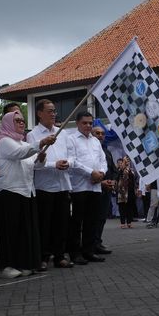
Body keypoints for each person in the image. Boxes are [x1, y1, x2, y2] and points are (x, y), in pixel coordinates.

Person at [0, 111, 55, 278]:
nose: (21, 123)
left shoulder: (23, 143)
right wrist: (41, 142)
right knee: (10, 232)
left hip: (26, 191)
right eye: (17, 120)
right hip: (9, 191)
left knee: (24, 232)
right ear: (8, 123)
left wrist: (41, 158)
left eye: (22, 120)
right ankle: (6, 266)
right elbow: (19, 154)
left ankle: (23, 263)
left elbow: (34, 166)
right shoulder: (5, 141)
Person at [27, 100, 74, 269]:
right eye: (49, 111)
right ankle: (43, 257)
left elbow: (72, 155)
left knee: (61, 223)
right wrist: (54, 164)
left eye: (54, 111)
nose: (53, 114)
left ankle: (59, 256)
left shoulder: (63, 133)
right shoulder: (33, 135)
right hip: (44, 186)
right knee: (44, 224)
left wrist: (68, 162)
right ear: (39, 113)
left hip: (62, 184)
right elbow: (33, 162)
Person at [66, 111, 107, 265]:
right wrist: (91, 172)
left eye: (90, 123)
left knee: (92, 221)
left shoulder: (95, 141)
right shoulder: (71, 139)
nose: (88, 126)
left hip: (95, 187)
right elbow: (73, 162)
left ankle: (89, 251)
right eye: (85, 123)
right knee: (77, 222)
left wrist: (101, 173)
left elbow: (103, 160)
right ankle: (75, 253)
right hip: (79, 187)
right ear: (77, 123)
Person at [92, 126, 114, 255]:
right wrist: (101, 182)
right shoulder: (91, 151)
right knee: (93, 218)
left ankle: (97, 242)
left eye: (102, 134)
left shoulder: (107, 151)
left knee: (102, 218)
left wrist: (113, 181)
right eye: (97, 133)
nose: (100, 136)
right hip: (94, 189)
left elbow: (113, 170)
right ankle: (91, 244)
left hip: (107, 190)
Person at [116, 155, 137, 228]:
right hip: (122, 191)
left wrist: (136, 189)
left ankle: (129, 222)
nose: (127, 162)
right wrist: (123, 164)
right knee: (122, 207)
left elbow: (134, 180)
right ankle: (122, 223)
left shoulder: (131, 170)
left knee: (130, 207)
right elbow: (118, 175)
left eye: (128, 161)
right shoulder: (120, 169)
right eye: (126, 161)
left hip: (130, 191)